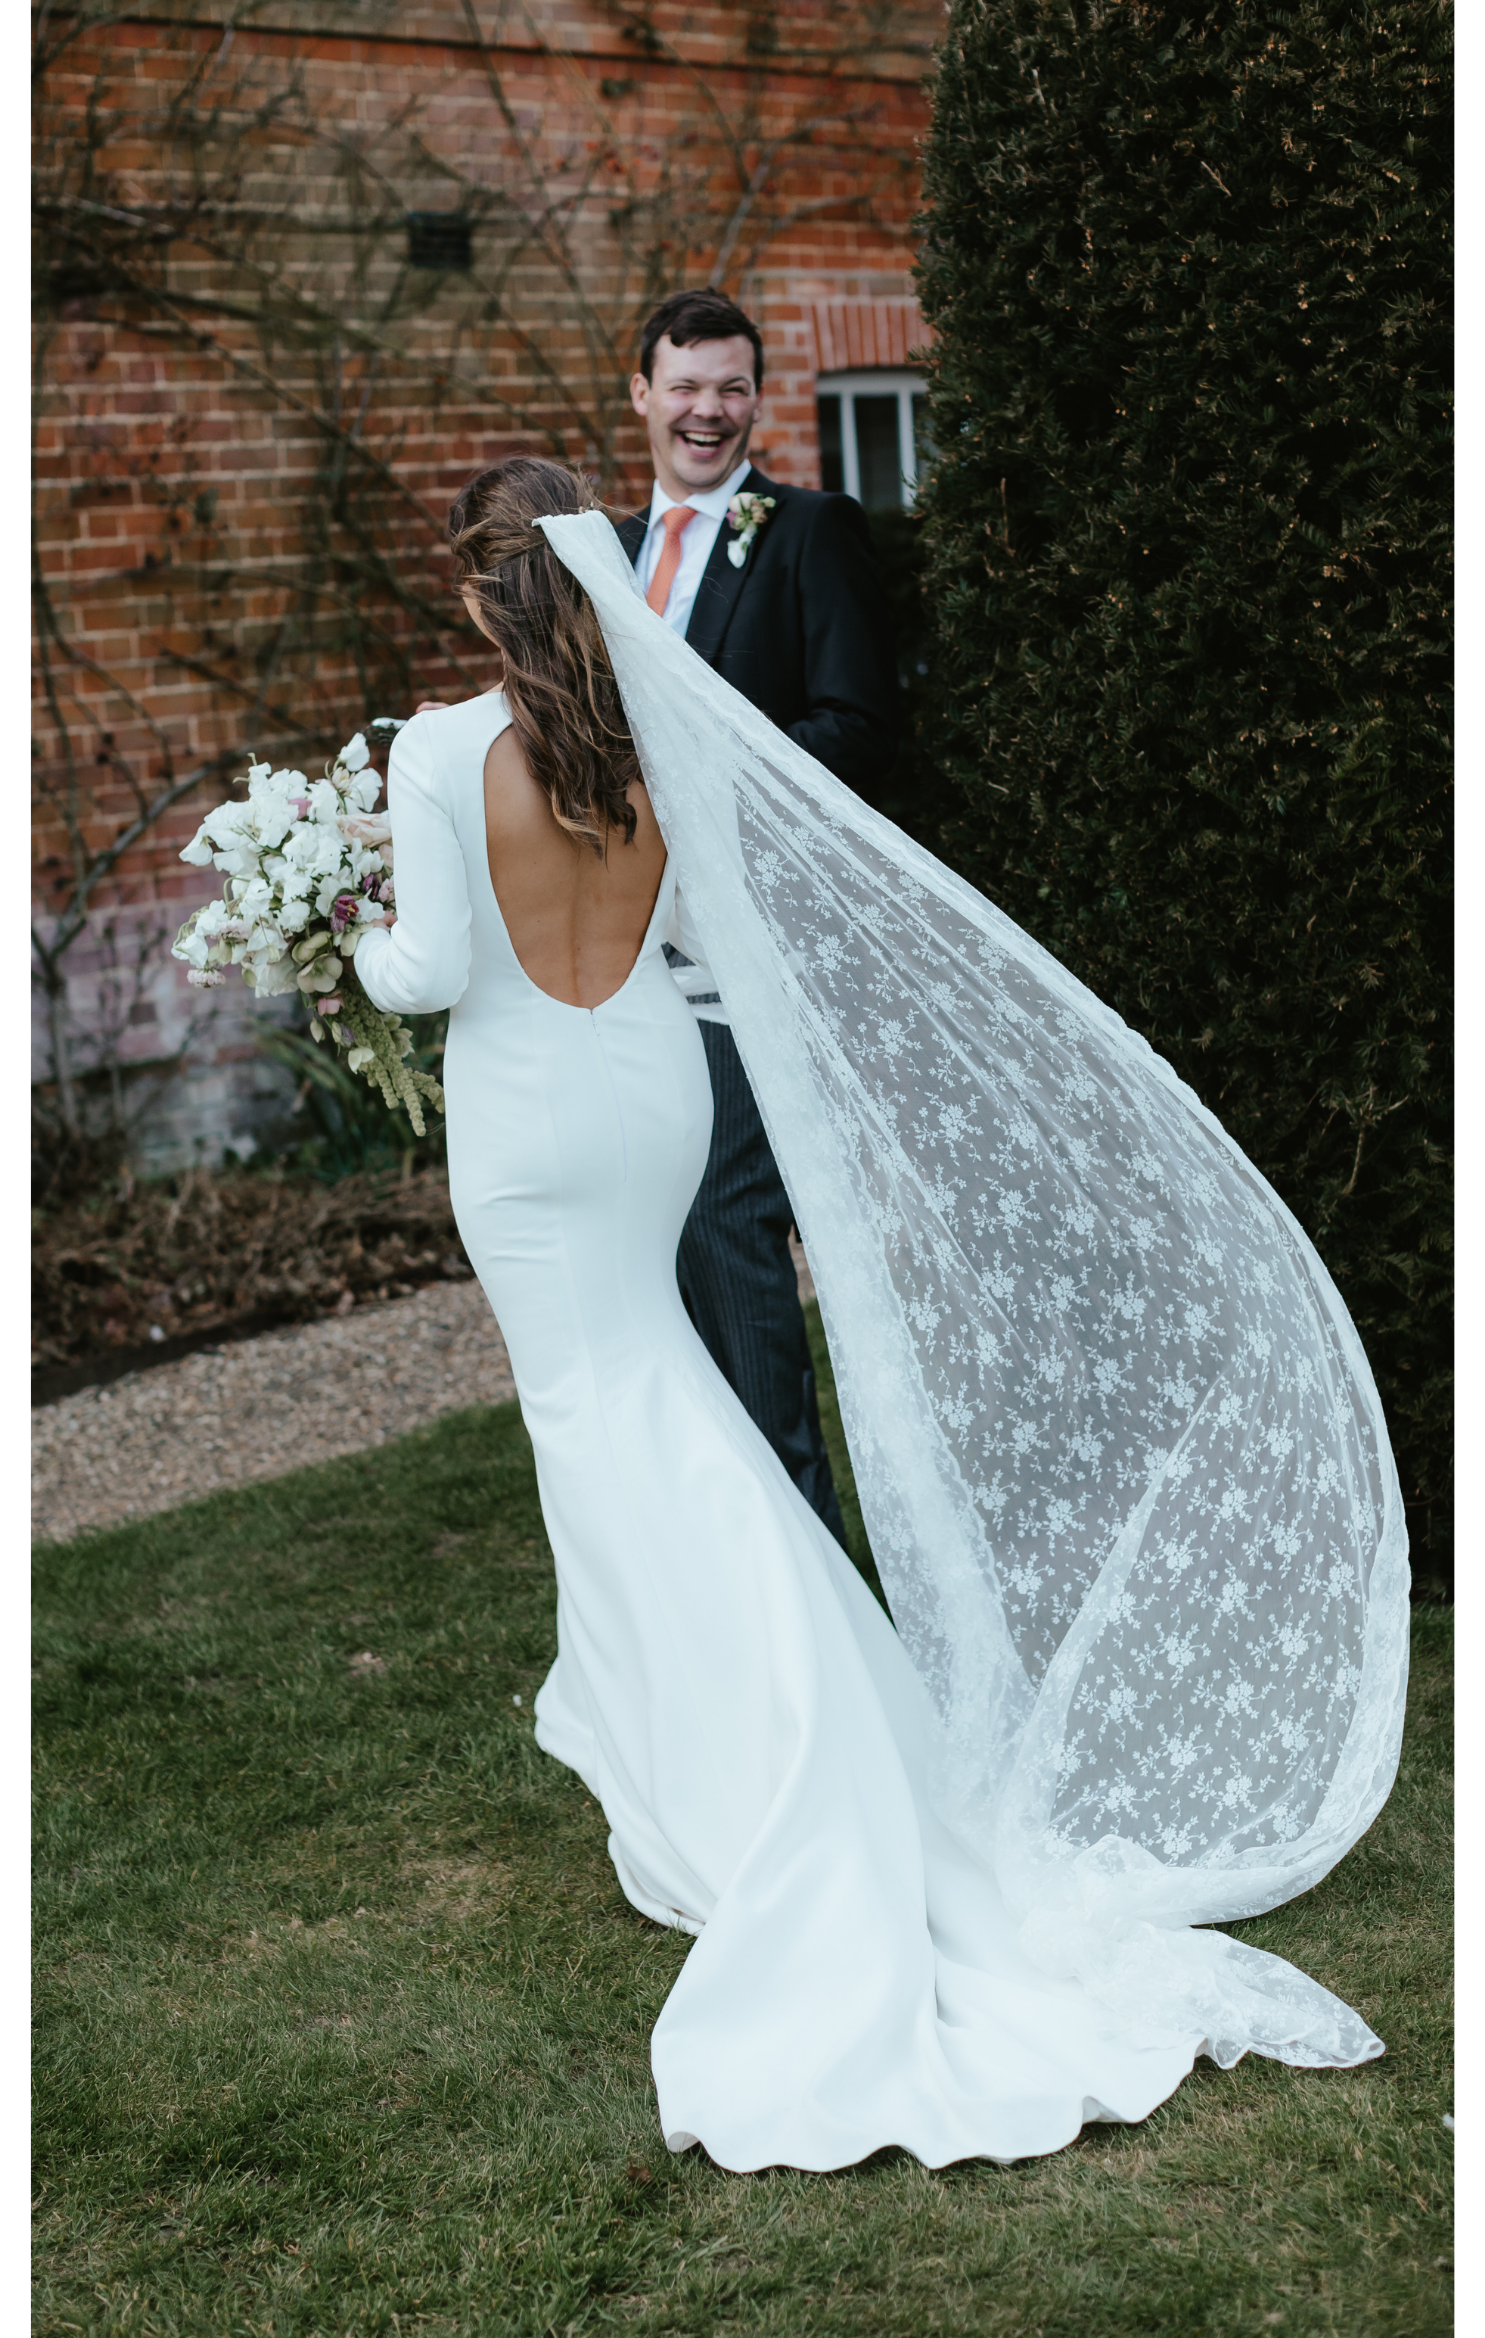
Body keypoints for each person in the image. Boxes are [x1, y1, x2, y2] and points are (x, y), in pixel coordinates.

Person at [355, 455, 1409, 2175]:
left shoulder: (436, 750)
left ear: (477, 588)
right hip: (648, 1094)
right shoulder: (647, 734)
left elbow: (432, 971)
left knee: (615, 1420)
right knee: (649, 1396)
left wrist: (338, 922)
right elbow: (685, 928)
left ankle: (761, 1736)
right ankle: (670, 1738)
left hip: (530, 1133)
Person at [615, 288, 899, 1547]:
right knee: (670, 1227)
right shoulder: (600, 556)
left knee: (731, 1221)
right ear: (642, 395)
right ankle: (733, 1548)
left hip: (757, 955)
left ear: (757, 398)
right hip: (623, 957)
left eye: (731, 387)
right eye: (685, 385)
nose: (708, 410)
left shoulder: (807, 532)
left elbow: (855, 723)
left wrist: (708, 777)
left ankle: (809, 1546)